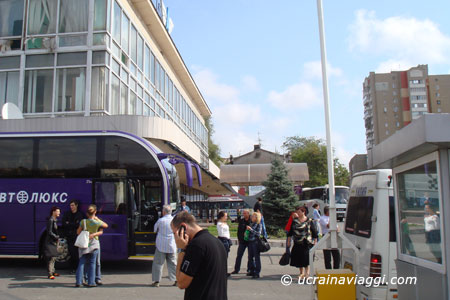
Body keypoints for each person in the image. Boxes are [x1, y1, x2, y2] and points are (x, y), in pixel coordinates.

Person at [171, 211, 227, 300]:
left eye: (174, 233)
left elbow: (181, 283)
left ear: (183, 227)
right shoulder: (217, 242)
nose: (175, 238)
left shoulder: (196, 246)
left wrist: (181, 250)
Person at [75, 205, 108, 287]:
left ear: (87, 213)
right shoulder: (97, 223)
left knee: (81, 262)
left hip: (84, 244)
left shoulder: (83, 222)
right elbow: (106, 225)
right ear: (95, 212)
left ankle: (79, 281)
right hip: (94, 244)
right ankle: (91, 282)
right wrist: (97, 219)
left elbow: (78, 232)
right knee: (93, 263)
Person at [287, 206, 318, 278]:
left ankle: (307, 273)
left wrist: (315, 241)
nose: (298, 213)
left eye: (299, 212)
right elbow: (290, 232)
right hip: (297, 242)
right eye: (297, 212)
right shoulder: (295, 221)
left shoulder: (309, 221)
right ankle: (301, 273)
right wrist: (289, 241)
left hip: (306, 242)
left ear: (303, 212)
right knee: (299, 258)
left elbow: (314, 232)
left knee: (306, 258)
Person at [151, 205, 177, 287]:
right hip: (171, 245)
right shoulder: (174, 221)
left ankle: (157, 281)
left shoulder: (160, 220)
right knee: (173, 263)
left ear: (164, 212)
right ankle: (176, 280)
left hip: (161, 245)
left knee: (158, 263)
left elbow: (155, 230)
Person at [62, 200, 86, 272]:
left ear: (76, 205)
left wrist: (69, 223)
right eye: (71, 205)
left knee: (76, 253)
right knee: (71, 252)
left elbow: (80, 224)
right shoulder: (67, 214)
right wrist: (74, 224)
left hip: (77, 236)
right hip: (69, 236)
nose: (71, 207)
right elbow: (64, 223)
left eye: (73, 205)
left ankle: (77, 268)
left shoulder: (80, 214)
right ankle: (72, 268)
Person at [231, 209, 252, 275]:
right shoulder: (241, 221)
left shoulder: (251, 221)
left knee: (250, 256)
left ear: (248, 214)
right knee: (239, 255)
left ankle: (249, 269)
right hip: (242, 241)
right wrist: (239, 239)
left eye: (246, 213)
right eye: (244, 213)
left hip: (250, 241)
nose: (244, 214)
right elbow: (239, 231)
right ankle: (236, 269)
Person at [45, 206, 61, 280]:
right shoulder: (51, 220)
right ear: (53, 212)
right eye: (57, 211)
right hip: (50, 241)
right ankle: (50, 273)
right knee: (51, 257)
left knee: (54, 256)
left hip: (54, 240)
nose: (59, 213)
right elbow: (49, 232)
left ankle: (53, 271)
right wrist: (56, 237)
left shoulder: (54, 220)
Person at [246, 212, 262, 279]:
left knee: (256, 258)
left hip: (255, 242)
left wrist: (251, 229)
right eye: (252, 216)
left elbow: (258, 234)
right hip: (250, 242)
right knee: (250, 257)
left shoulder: (259, 225)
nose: (251, 217)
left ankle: (257, 272)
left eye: (253, 216)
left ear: (256, 217)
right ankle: (252, 270)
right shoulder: (251, 223)